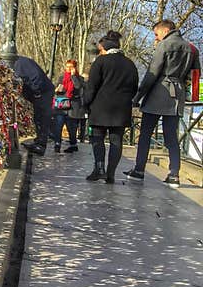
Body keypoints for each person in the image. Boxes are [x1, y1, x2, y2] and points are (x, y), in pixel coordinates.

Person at [125, 20, 200, 188]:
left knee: (145, 134)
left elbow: (152, 73)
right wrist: (189, 95)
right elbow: (196, 75)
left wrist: (138, 96)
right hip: (177, 96)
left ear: (165, 31)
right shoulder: (191, 48)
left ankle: (139, 170)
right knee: (172, 137)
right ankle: (174, 175)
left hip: (159, 93)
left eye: (156, 34)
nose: (156, 38)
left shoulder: (165, 45)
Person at [82, 31, 138, 183]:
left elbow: (91, 87)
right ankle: (111, 173)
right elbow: (134, 88)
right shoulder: (130, 64)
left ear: (104, 48)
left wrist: (85, 103)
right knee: (116, 141)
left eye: (100, 49)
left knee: (97, 139)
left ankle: (99, 168)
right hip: (121, 110)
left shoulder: (100, 62)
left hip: (100, 108)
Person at [13, 55, 55, 156]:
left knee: (42, 117)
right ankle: (39, 142)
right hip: (42, 91)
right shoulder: (23, 62)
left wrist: (36, 92)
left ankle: (41, 145)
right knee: (38, 118)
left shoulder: (20, 64)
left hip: (43, 92)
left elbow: (35, 76)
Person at [52, 59, 85, 153]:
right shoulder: (61, 77)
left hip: (73, 107)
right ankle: (57, 144)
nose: (68, 69)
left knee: (72, 127)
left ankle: (73, 144)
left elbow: (78, 87)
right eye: (67, 67)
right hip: (62, 105)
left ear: (75, 68)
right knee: (58, 124)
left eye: (71, 67)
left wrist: (73, 76)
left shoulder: (79, 78)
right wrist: (58, 89)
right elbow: (56, 88)